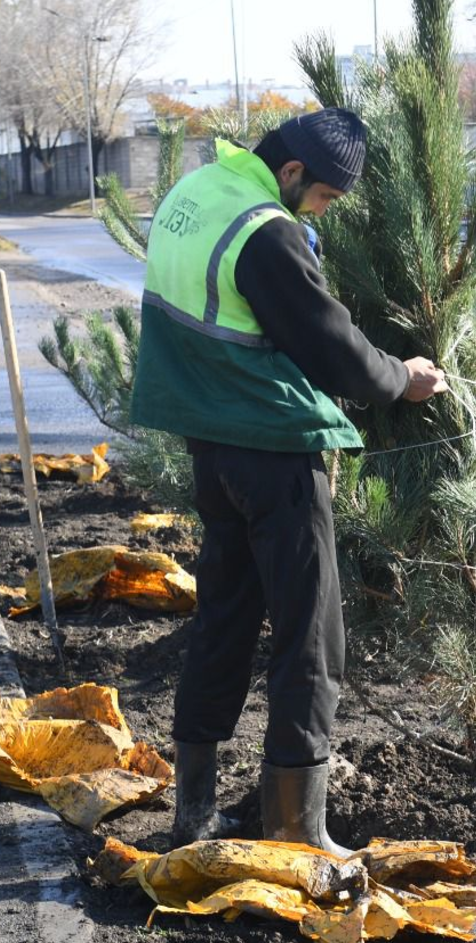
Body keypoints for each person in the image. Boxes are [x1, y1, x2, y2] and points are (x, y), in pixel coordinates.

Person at [129, 108, 446, 857]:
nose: (322, 212)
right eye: (325, 197)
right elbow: (332, 347)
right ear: (294, 170)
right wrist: (401, 378)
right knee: (310, 633)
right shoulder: (266, 230)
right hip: (272, 444)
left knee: (225, 616)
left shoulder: (198, 190)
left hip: (210, 441)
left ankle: (195, 812)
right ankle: (298, 829)